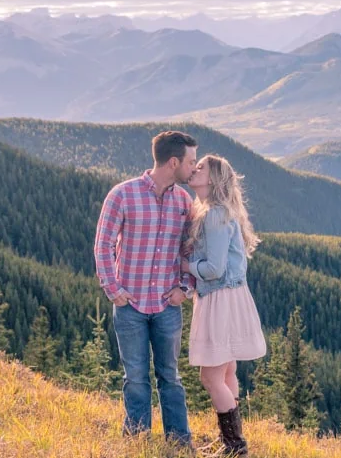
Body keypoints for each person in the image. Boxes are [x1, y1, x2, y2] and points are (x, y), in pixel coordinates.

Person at [94, 130, 198, 447]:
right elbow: (103, 246)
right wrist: (113, 290)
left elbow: (190, 251)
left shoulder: (184, 201)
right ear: (174, 162)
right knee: (136, 378)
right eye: (191, 162)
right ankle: (138, 441)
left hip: (168, 305)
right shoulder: (122, 195)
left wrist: (185, 288)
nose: (194, 168)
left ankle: (179, 443)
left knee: (171, 377)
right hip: (130, 306)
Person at [181, 154, 266, 457]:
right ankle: (230, 441)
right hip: (232, 297)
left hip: (219, 299)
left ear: (213, 179)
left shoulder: (215, 215)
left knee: (210, 377)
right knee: (227, 371)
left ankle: (235, 446)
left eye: (201, 168)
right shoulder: (220, 212)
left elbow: (214, 269)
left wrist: (186, 265)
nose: (194, 169)